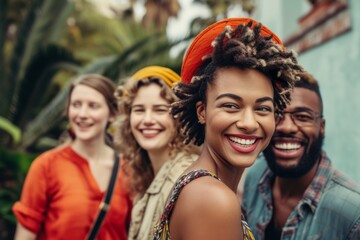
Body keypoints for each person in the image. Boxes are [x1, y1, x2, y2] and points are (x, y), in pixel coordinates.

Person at [153, 17, 303, 240]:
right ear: (202, 111)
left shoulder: (199, 183)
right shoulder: (212, 199)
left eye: (262, 108)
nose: (249, 123)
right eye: (231, 106)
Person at [241, 72, 360, 239]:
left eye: (302, 117)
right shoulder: (255, 176)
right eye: (276, 114)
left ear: (322, 127)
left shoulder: (353, 213)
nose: (287, 127)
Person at [12, 74, 132, 240]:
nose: (82, 114)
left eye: (93, 106)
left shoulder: (128, 170)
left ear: (112, 114)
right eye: (76, 105)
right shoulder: (47, 165)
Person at [114, 66, 199, 240]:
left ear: (179, 117)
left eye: (160, 110)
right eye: (138, 110)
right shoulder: (145, 176)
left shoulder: (186, 181)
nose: (147, 120)